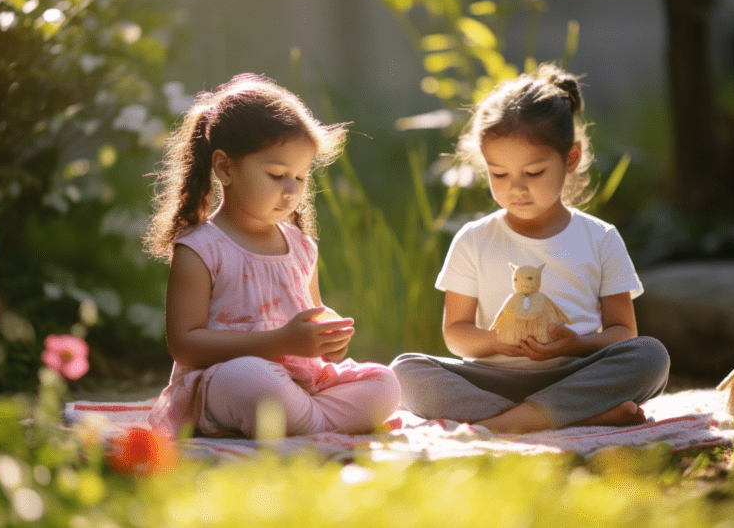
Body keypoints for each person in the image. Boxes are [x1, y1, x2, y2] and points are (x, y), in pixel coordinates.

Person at [391, 64, 669, 433]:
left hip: (575, 371)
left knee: (650, 356)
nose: (516, 189)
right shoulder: (473, 240)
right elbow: (457, 333)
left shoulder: (600, 237)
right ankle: (568, 415)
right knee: (404, 372)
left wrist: (576, 345)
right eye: (499, 174)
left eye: (533, 173)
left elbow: (622, 332)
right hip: (495, 377)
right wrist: (498, 342)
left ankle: (512, 420)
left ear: (570, 157)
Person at [144, 73, 400, 438]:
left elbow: (310, 319)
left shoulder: (301, 247)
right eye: (277, 174)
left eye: (299, 177)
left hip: (300, 384)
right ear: (225, 167)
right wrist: (280, 342)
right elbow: (185, 346)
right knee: (252, 381)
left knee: (385, 382)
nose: (291, 190)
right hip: (230, 382)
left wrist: (326, 342)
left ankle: (304, 421)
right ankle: (314, 422)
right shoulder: (201, 248)